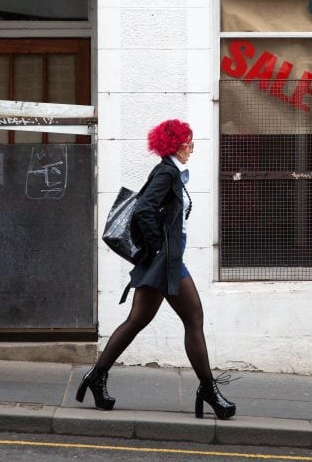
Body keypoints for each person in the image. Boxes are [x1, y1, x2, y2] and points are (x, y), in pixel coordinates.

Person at [76, 119, 236, 420]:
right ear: (177, 144)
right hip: (166, 262)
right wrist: (158, 250)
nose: (193, 147)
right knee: (194, 318)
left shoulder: (172, 171)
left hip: (165, 261)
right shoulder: (166, 171)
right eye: (189, 142)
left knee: (137, 320)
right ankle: (208, 390)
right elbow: (144, 209)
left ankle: (96, 377)